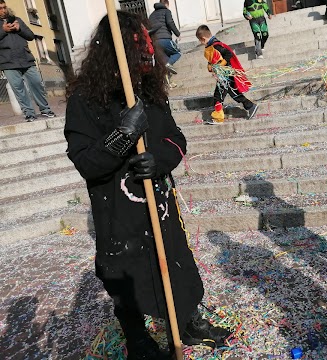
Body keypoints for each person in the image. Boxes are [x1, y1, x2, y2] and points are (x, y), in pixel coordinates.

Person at [64, 12, 230, 359]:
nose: (147, 56)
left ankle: (186, 320)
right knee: (126, 278)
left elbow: (176, 139)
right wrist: (122, 135)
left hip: (160, 208)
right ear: (116, 52)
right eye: (136, 49)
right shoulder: (85, 100)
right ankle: (137, 338)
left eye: (147, 49)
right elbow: (85, 161)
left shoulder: (150, 92)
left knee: (176, 262)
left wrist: (159, 159)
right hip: (118, 214)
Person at [0, 0, 55, 122]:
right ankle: (29, 113)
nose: (3, 10)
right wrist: (3, 30)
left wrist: (19, 29)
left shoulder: (17, 19)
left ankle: (45, 110)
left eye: (4, 7)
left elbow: (30, 36)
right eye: (0, 8)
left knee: (37, 83)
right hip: (8, 63)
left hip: (26, 59)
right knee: (19, 89)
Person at [196, 25, 258, 124]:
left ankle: (219, 117)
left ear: (203, 39)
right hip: (222, 75)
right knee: (230, 94)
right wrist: (210, 65)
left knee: (220, 95)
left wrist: (221, 64)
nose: (201, 43)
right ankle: (249, 106)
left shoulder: (216, 45)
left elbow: (228, 54)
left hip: (226, 74)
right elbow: (213, 58)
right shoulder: (211, 46)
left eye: (200, 41)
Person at [148, 0, 181, 81]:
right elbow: (170, 23)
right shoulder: (166, 11)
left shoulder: (151, 15)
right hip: (165, 39)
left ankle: (168, 81)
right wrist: (178, 34)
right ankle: (168, 64)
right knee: (177, 52)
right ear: (166, 4)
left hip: (155, 42)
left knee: (164, 59)